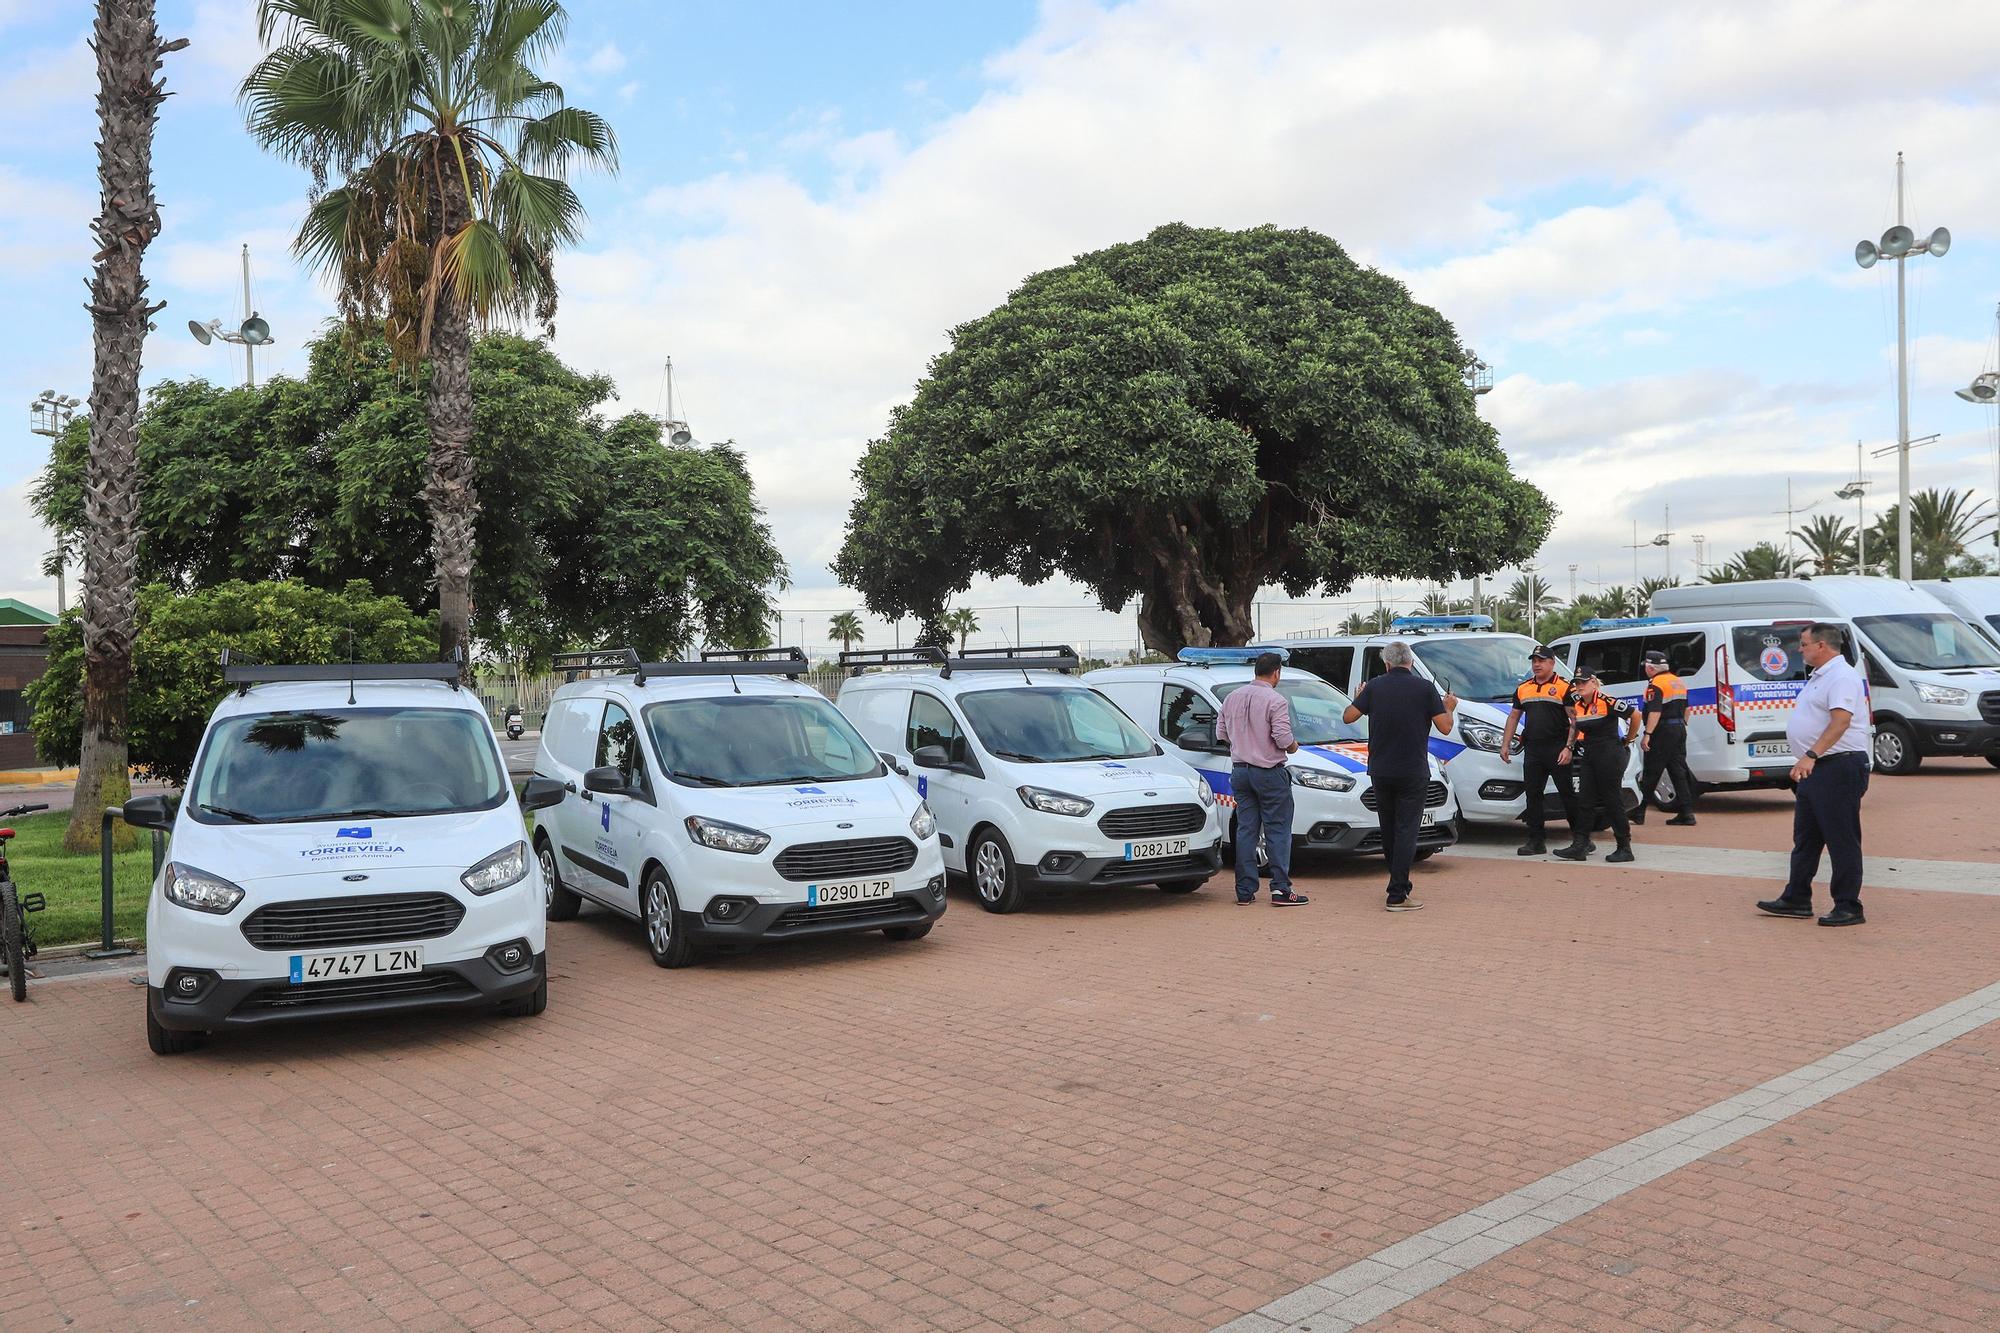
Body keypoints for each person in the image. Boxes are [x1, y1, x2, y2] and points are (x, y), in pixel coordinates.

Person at [1757, 623, 1871, 926]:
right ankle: (1796, 897)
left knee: (1841, 839)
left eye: (1804, 644)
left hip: (1838, 766)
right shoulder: (1819, 677)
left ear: (1822, 646)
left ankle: (1848, 905)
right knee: (1806, 838)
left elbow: (1840, 722)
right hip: (1817, 769)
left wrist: (1811, 754)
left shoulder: (1842, 677)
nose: (1799, 649)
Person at [1343, 641, 1457, 910]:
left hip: (1380, 769)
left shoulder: (1374, 686)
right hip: (1413, 770)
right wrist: (1449, 706)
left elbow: (1349, 717)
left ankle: (1398, 884)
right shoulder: (1425, 689)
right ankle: (1397, 892)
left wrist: (1359, 696)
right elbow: (1445, 727)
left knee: (1390, 828)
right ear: (1411, 662)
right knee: (1407, 830)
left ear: (1387, 663)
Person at [1216, 650, 1308, 906]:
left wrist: (1244, 744)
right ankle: (1280, 889)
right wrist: (1293, 746)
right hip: (1268, 773)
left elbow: (1221, 733)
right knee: (1277, 829)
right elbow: (1282, 738)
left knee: (1246, 830)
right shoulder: (1275, 700)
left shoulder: (1231, 698)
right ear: (1277, 672)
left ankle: (1244, 890)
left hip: (1240, 771)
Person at [1499, 645, 1579, 856]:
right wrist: (1505, 744)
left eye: (1541, 660)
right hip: (1533, 748)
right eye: (1534, 660)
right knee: (1533, 795)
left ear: (1552, 663)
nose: (1536, 664)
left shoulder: (1565, 687)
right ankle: (1536, 840)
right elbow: (1514, 717)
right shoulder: (1524, 688)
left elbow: (1575, 719)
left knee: (1567, 794)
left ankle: (1581, 839)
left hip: (1557, 747)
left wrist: (1569, 747)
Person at [1554, 671, 1639, 863]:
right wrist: (1569, 746)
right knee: (1585, 800)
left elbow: (1636, 715)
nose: (1579, 686)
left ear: (1593, 682)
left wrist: (1629, 739)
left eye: (1584, 682)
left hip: (1609, 754)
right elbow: (1575, 726)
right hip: (1590, 754)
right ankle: (1580, 845)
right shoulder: (1577, 702)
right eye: (1577, 683)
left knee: (1612, 800)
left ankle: (1624, 847)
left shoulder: (1607, 701)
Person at [1632, 650, 1697, 826]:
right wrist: (1681, 726)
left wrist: (1648, 734)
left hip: (1662, 731)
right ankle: (1687, 812)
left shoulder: (1655, 684)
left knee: (1652, 771)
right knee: (1679, 772)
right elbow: (1687, 709)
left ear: (1651, 667)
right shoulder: (1677, 681)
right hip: (1678, 729)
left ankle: (1639, 811)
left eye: (1646, 666)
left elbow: (1655, 711)